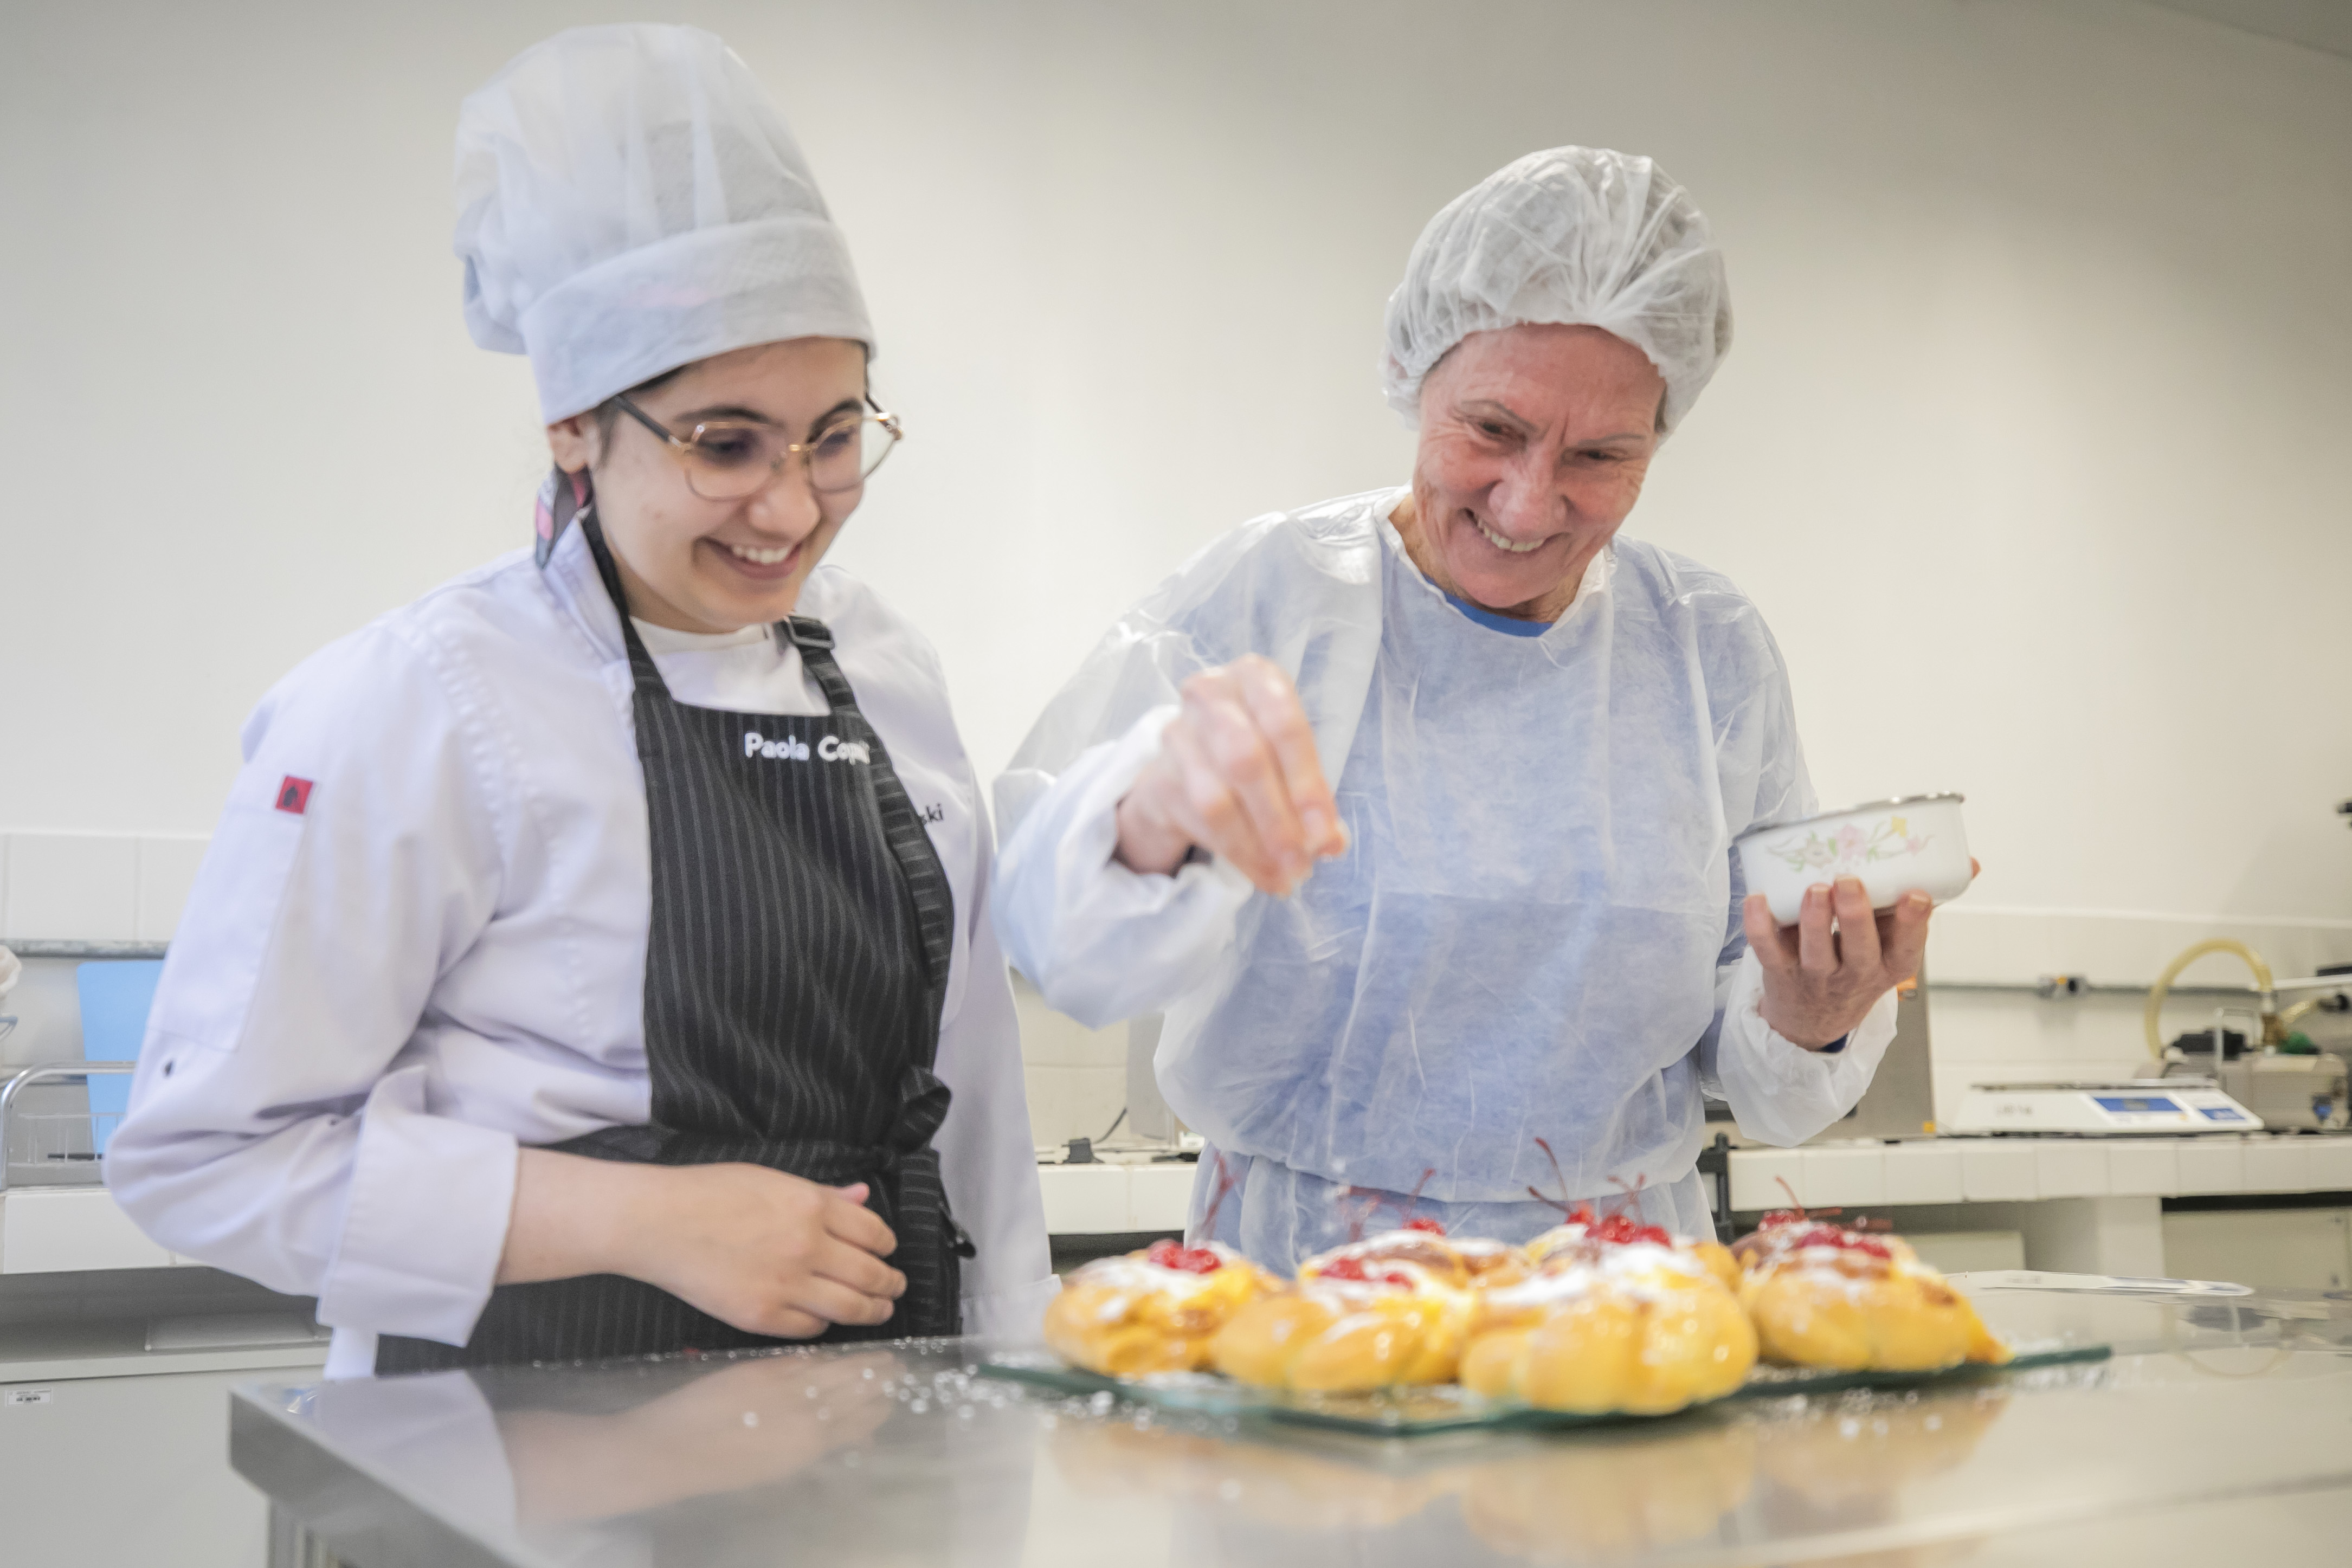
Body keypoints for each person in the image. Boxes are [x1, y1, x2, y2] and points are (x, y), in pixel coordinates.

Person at [107, 24, 1053, 1376]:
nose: (790, 509)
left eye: (836, 436)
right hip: (526, 1462)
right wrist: (644, 1219)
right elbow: (208, 1157)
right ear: (573, 425)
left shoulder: (886, 669)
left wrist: (1003, 1394)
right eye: (724, 443)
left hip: (874, 1445)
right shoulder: (421, 701)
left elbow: (969, 1110)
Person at [993, 147, 1967, 1270]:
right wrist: (1146, 818)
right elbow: (1053, 940)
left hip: (1622, 1301)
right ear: (1416, 374)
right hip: (1302, 1286)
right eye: (1491, 429)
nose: (1527, 500)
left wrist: (1813, 1009)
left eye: (1601, 454)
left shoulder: (1710, 650)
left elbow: (1761, 1079)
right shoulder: (1266, 601)